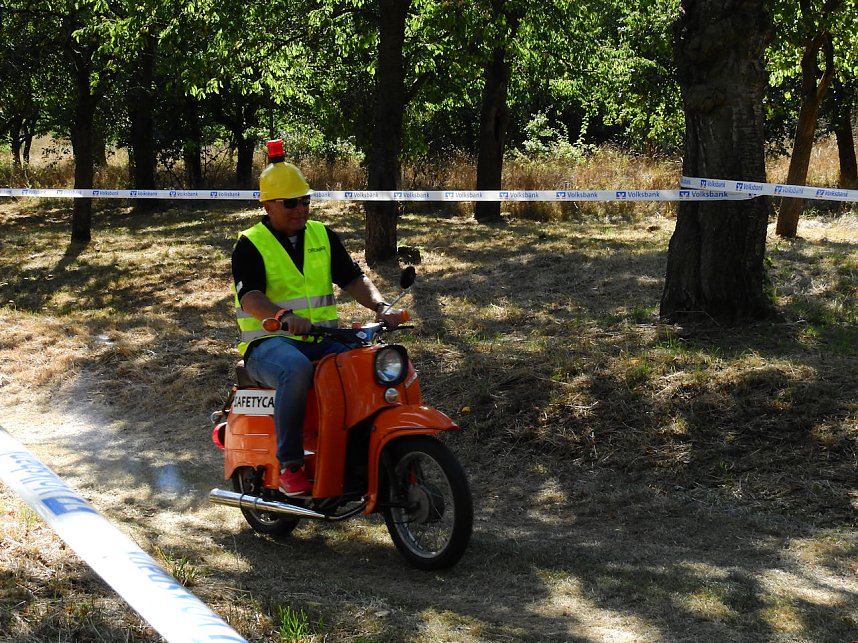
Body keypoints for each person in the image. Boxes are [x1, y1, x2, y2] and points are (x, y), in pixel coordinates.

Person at [231, 140, 404, 496]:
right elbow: (250, 298)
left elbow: (353, 279)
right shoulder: (250, 243)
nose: (301, 210)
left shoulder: (322, 235)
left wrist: (381, 307)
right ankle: (292, 465)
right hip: (268, 344)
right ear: (267, 204)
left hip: (322, 338)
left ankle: (354, 456)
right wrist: (282, 316)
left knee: (367, 365)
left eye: (306, 201)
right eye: (291, 202)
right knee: (294, 369)